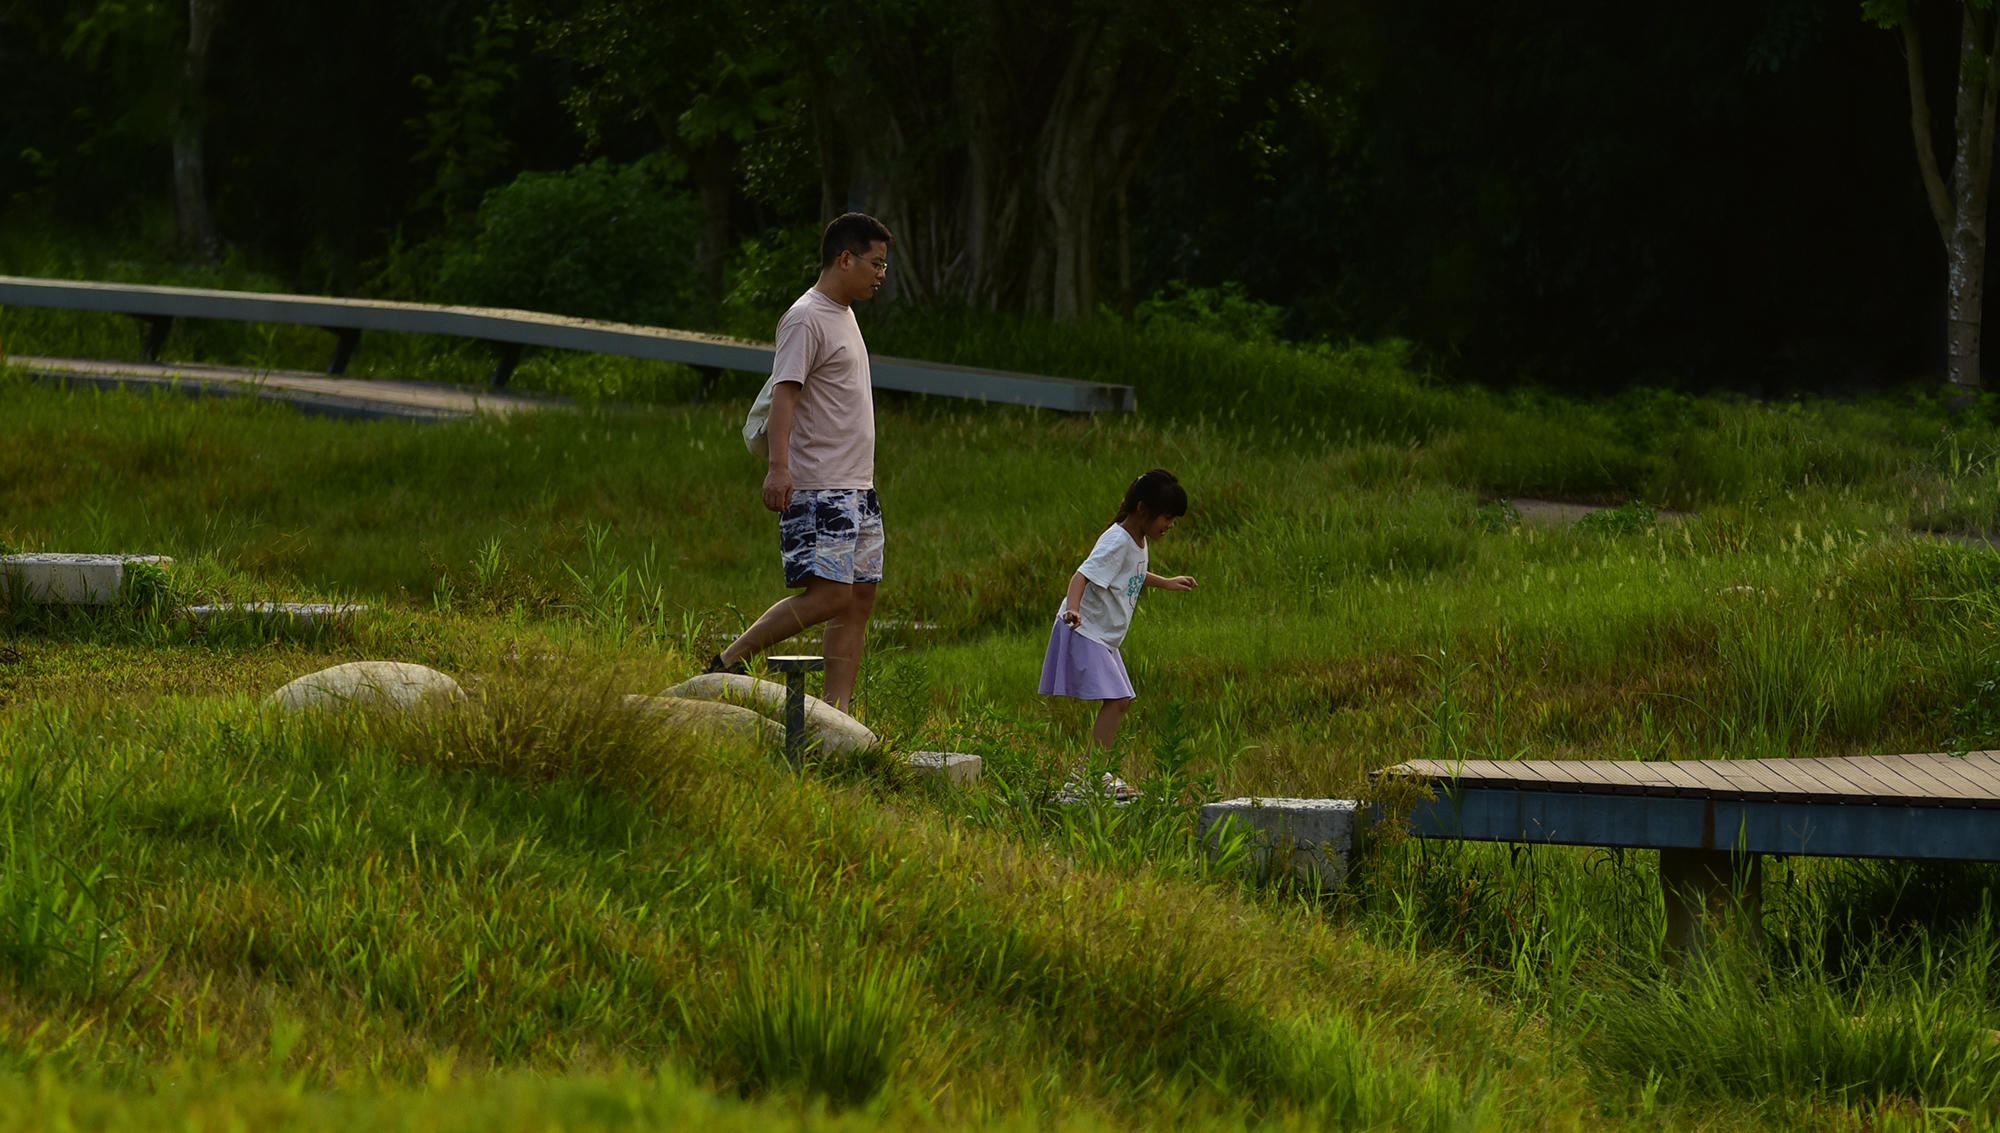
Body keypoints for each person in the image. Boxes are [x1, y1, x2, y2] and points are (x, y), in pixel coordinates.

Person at [705, 213, 893, 713]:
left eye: (885, 265)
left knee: (859, 598)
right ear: (845, 258)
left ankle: (838, 713)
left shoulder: (845, 312)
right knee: (829, 596)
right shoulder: (805, 316)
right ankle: (730, 660)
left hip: (857, 487)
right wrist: (778, 468)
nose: (881, 274)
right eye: (875, 263)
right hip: (819, 486)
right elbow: (785, 395)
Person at [1039, 469, 1197, 751]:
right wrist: (1073, 609)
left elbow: (1130, 573)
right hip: (1086, 629)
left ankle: (1093, 775)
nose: (1171, 525)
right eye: (1168, 517)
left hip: (1103, 633)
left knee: (1121, 700)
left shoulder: (1137, 538)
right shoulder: (1118, 541)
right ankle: (1091, 777)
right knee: (1118, 700)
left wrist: (1167, 583)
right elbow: (1081, 576)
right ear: (1142, 509)